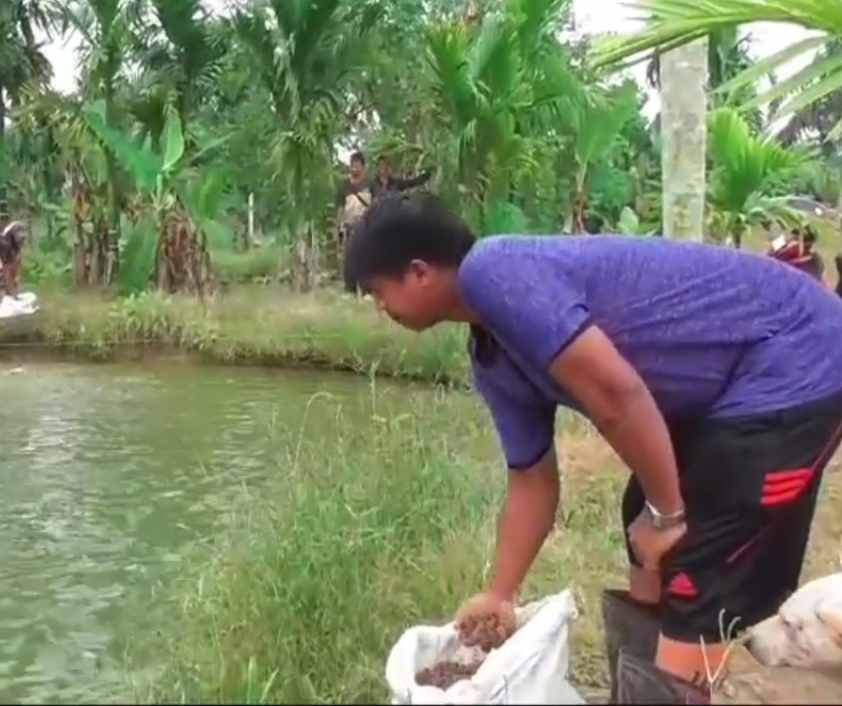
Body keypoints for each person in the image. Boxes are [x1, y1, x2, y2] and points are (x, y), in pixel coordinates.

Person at [344, 193, 842, 702]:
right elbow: (531, 479)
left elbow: (618, 398)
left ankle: (674, 684)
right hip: (726, 386)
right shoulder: (492, 355)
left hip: (799, 355)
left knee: (697, 546)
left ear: (420, 271)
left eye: (379, 292)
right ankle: (640, 687)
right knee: (641, 511)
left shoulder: (496, 271)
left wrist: (668, 516)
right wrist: (501, 594)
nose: (381, 309)